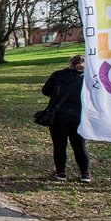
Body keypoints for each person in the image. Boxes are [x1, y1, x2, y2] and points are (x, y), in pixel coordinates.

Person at [41, 54, 90, 182]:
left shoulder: (57, 75)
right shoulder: (87, 79)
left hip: (58, 115)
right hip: (79, 115)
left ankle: (60, 172)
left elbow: (46, 90)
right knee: (79, 145)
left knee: (59, 145)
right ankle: (85, 174)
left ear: (71, 64)